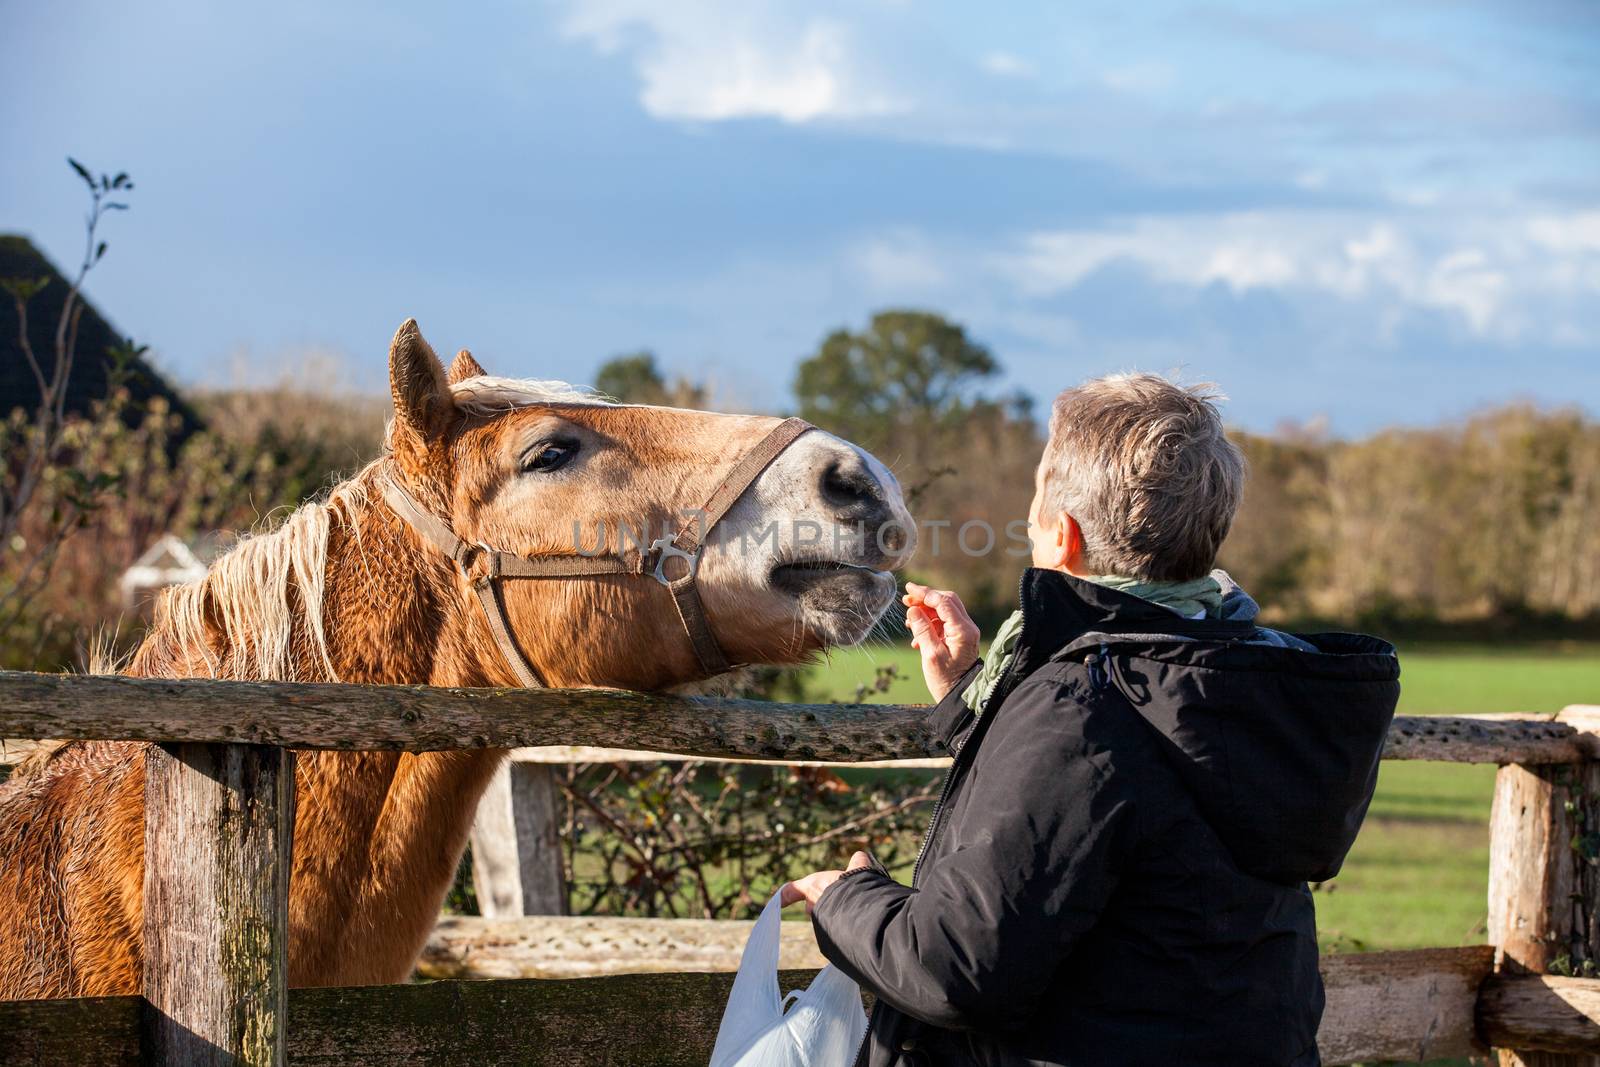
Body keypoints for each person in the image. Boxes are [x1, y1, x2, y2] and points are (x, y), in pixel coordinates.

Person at [781, 373, 1400, 1066]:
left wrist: (845, 897)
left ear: (1062, 536)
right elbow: (1122, 797)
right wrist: (966, 697)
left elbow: (953, 968)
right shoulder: (1238, 678)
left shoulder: (1085, 705)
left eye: (1035, 504)